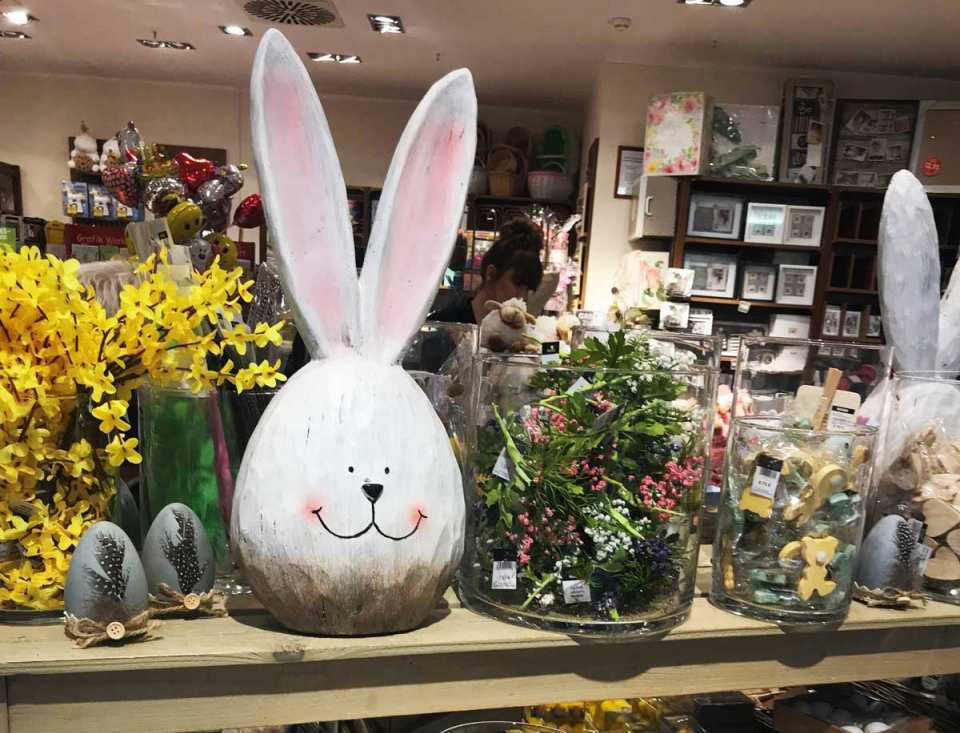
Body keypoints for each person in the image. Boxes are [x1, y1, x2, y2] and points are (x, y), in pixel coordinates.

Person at [430, 217, 544, 325]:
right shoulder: (445, 324)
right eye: (517, 284)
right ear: (491, 273)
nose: (522, 297)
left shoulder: (521, 334)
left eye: (528, 289)